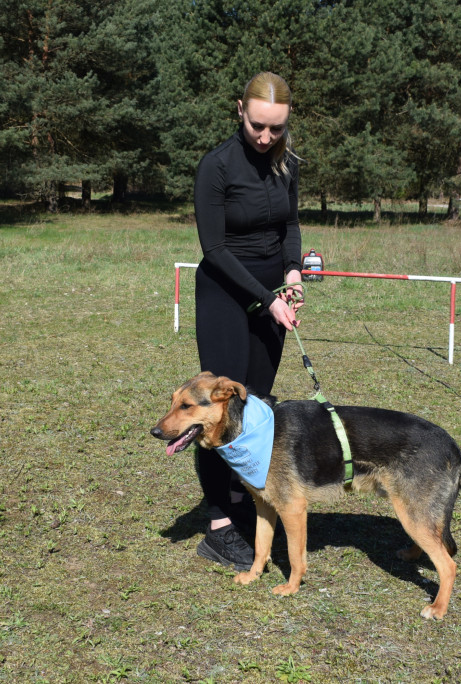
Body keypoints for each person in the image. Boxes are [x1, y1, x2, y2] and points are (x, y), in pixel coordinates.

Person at [192, 71, 304, 569]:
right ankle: (218, 524)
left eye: (276, 129)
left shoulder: (286, 164)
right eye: (258, 126)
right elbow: (214, 248)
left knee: (254, 408)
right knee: (220, 410)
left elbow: (290, 224)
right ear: (240, 109)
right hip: (225, 295)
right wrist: (266, 297)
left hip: (270, 295)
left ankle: (242, 502)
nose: (265, 138)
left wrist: (293, 272)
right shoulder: (215, 166)